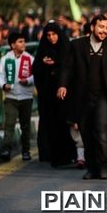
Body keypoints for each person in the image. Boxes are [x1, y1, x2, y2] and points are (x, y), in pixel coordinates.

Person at [57, 14, 107, 180]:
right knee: (86, 134)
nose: (104, 31)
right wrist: (62, 85)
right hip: (82, 98)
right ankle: (91, 168)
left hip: (103, 98)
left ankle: (103, 167)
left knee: (102, 133)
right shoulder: (77, 45)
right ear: (93, 27)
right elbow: (67, 68)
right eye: (101, 27)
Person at [33, 20, 76, 167]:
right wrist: (43, 64)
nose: (51, 37)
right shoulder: (43, 49)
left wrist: (55, 65)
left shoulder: (66, 47)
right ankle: (48, 153)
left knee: (62, 123)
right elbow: (36, 69)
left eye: (54, 34)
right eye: (49, 35)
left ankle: (66, 155)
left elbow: (69, 68)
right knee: (47, 123)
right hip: (46, 95)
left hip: (62, 94)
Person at [0, 32, 35, 161]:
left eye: (24, 41)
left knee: (25, 126)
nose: (23, 43)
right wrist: (4, 85)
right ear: (13, 45)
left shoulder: (29, 58)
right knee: (9, 125)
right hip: (11, 97)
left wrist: (28, 80)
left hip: (26, 97)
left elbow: (35, 75)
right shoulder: (5, 59)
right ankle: (6, 150)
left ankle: (26, 150)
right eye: (20, 41)